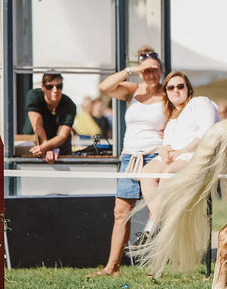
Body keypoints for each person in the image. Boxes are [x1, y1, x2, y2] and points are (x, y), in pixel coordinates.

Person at [94, 46, 166, 276]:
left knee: (156, 212)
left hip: (155, 157)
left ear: (161, 70)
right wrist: (131, 70)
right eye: (146, 71)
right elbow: (104, 87)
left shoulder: (168, 93)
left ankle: (155, 266)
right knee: (121, 212)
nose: (151, 74)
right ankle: (112, 267)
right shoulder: (133, 90)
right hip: (130, 157)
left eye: (154, 69)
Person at [139, 71, 219, 224]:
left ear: (188, 89)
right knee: (147, 173)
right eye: (171, 87)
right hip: (174, 156)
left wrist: (183, 151)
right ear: (166, 92)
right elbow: (167, 143)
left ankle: (155, 224)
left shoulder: (199, 103)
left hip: (194, 155)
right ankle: (157, 220)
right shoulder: (171, 116)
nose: (175, 90)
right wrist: (164, 149)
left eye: (180, 86)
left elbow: (206, 131)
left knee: (168, 173)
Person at [22, 72, 76, 163]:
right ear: (43, 87)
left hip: (60, 152)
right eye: (49, 87)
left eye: (59, 86)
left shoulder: (69, 104)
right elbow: (37, 126)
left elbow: (62, 135)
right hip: (34, 149)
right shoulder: (34, 95)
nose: (55, 90)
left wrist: (45, 147)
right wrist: (45, 149)